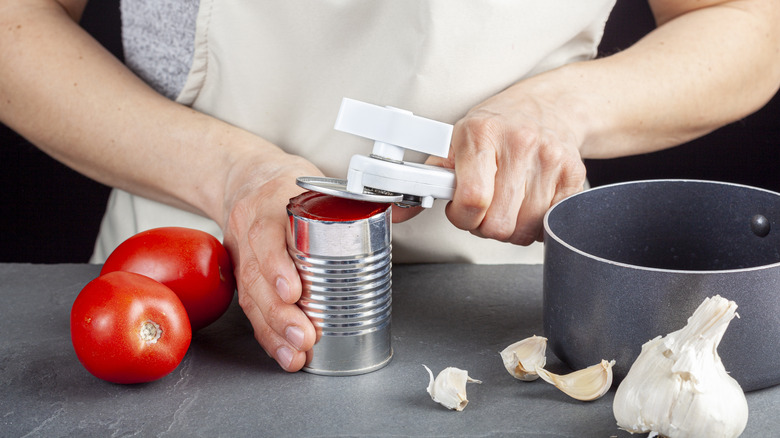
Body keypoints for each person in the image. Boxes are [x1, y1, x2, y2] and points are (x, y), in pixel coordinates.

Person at [1, 0, 778, 372]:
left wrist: (559, 110)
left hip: (501, 334)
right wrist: (229, 173)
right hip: (192, 314)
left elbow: (752, 20)